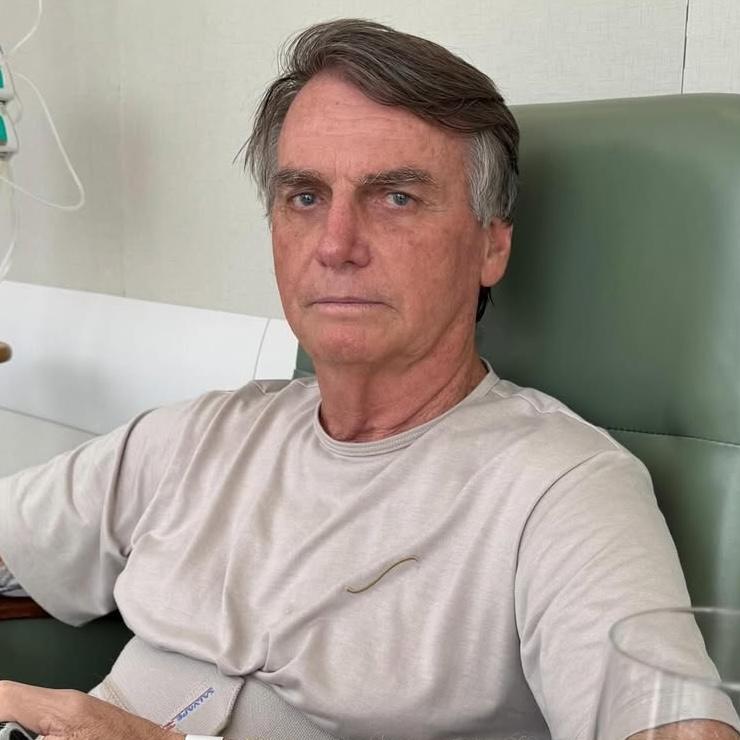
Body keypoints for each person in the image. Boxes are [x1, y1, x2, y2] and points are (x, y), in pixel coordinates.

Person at [0, 18, 738, 740]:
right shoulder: (201, 437)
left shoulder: (559, 492)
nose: (336, 244)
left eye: (396, 197)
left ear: (491, 247)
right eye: (305, 197)